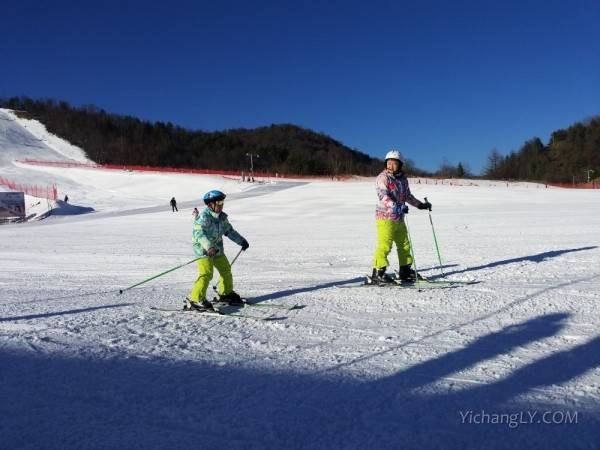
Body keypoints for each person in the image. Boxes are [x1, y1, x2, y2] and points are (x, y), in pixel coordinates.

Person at [371, 150, 432, 283]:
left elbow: (407, 196)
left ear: (400, 165)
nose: (391, 166)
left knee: (404, 245)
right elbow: (383, 196)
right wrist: (396, 206)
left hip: (399, 218)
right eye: (388, 163)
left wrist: (420, 205)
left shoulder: (403, 180)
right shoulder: (383, 178)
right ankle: (378, 272)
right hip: (385, 217)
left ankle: (405, 270)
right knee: (385, 245)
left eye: (394, 163)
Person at [185, 190, 250, 311]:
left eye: (222, 202)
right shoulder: (203, 218)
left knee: (226, 269)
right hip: (203, 250)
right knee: (207, 273)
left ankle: (225, 293)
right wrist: (209, 247)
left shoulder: (222, 218)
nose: (221, 204)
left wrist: (241, 241)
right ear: (210, 204)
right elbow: (199, 234)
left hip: (217, 249)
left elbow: (229, 231)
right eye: (218, 202)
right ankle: (195, 299)